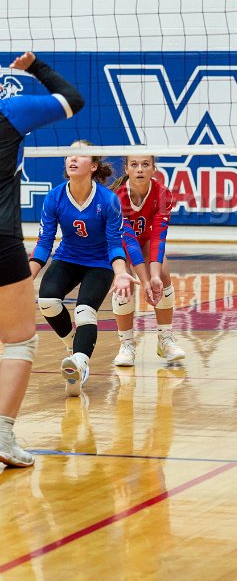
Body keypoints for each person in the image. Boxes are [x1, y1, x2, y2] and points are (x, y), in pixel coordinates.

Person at [0, 51, 84, 467]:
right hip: (1, 241)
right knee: (18, 340)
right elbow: (72, 99)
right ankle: (2, 435)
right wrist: (36, 67)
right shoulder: (11, 111)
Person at [29, 142, 152, 398]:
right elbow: (44, 241)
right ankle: (72, 346)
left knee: (85, 311)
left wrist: (120, 272)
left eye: (80, 155)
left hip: (100, 264)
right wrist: (26, 277)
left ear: (93, 166)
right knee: (47, 301)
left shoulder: (108, 200)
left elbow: (114, 243)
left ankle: (80, 365)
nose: (72, 159)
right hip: (68, 257)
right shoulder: (55, 197)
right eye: (69, 155)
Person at [111, 154, 185, 366]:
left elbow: (158, 236)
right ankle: (126, 344)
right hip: (117, 243)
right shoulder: (117, 198)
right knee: (124, 281)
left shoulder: (162, 193)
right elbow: (128, 240)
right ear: (126, 169)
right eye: (134, 165)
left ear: (154, 169)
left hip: (144, 240)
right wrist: (144, 281)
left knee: (163, 274)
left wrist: (154, 277)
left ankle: (165, 339)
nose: (140, 169)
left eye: (145, 164)